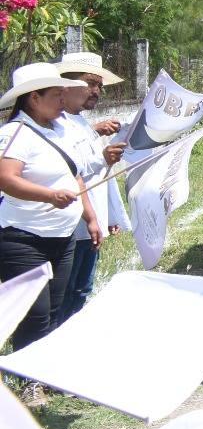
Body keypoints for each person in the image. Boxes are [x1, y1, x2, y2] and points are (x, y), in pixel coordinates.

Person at [0, 63, 97, 364]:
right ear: (33, 98)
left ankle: (43, 372)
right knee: (35, 311)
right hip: (23, 238)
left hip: (62, 236)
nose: (62, 100)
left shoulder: (60, 130)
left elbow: (75, 176)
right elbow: (6, 178)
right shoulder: (15, 133)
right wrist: (49, 196)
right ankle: (28, 379)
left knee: (55, 304)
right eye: (56, 94)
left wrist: (90, 217)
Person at [55, 52, 131, 321]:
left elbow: (99, 179)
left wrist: (108, 215)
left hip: (90, 226)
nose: (97, 91)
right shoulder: (57, 124)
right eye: (90, 83)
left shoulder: (80, 122)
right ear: (66, 84)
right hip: (72, 226)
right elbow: (72, 174)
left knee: (80, 290)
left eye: (99, 85)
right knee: (64, 293)